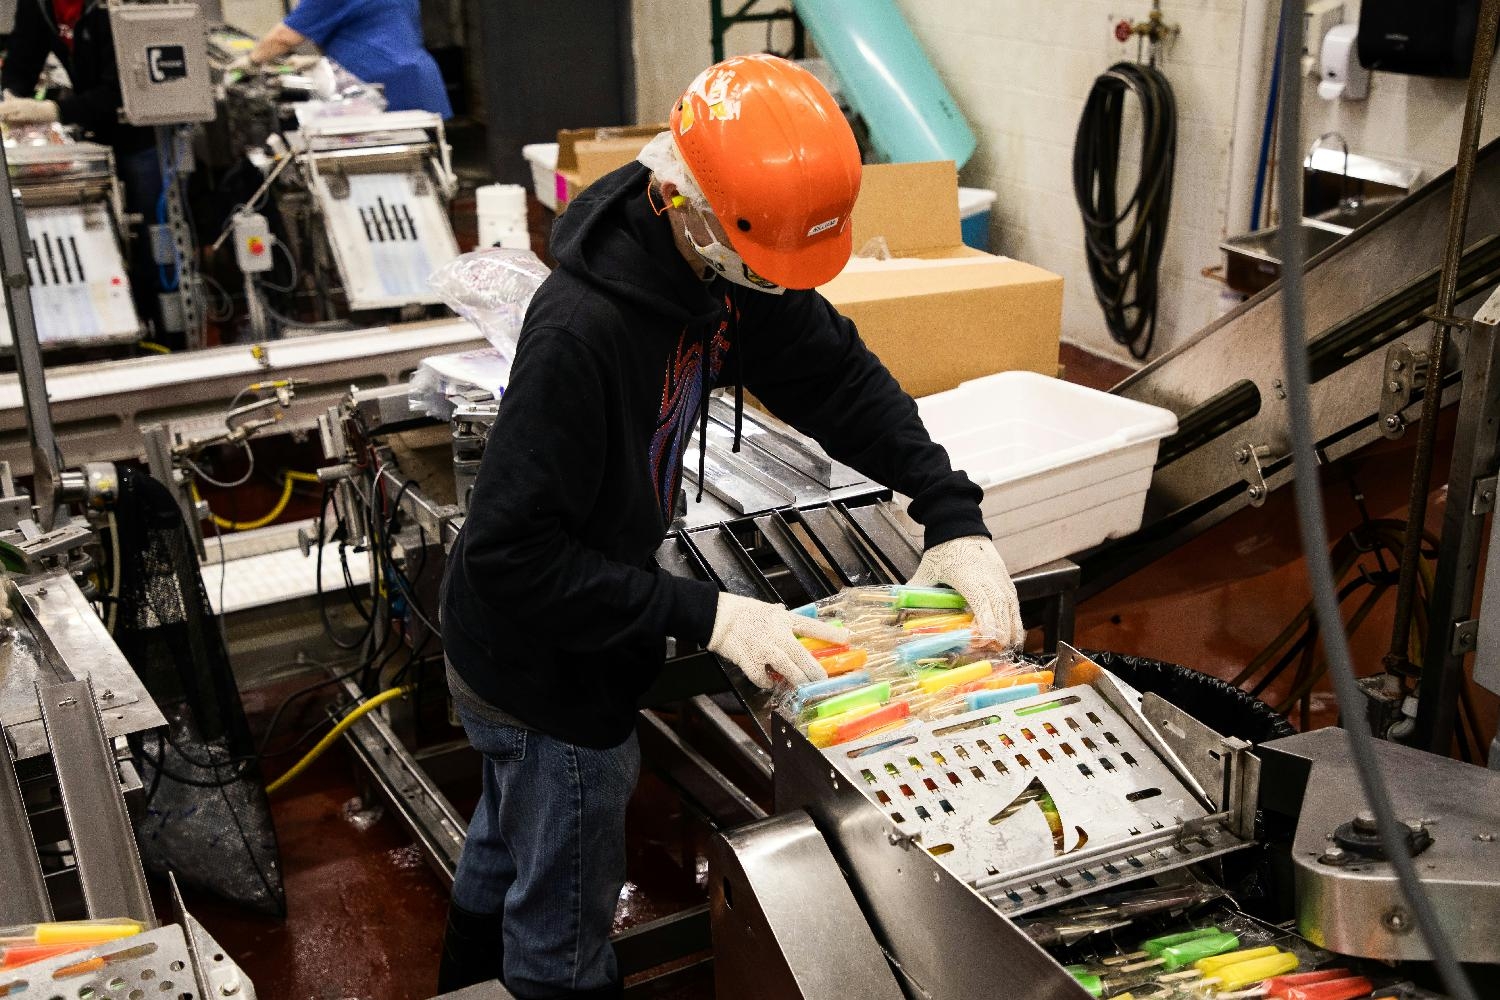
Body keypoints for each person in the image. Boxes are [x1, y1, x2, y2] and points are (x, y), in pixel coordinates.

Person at [437, 54, 1023, 999]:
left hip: (554, 640)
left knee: (509, 846)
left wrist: (948, 508)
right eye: (757, 265)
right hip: (543, 669)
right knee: (562, 910)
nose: (767, 288)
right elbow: (514, 557)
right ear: (688, 207)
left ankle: (458, 982)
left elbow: (834, 374)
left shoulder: (720, 261)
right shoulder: (582, 332)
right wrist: (709, 616)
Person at [0, 0, 169, 343]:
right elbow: (22, 59)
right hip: (93, 131)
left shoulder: (115, 6)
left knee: (156, 235)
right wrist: (9, 98)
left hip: (143, 134)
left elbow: (122, 87)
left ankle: (163, 335)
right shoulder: (41, 5)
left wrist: (53, 110)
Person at [237, 0, 451, 118]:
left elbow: (284, 37)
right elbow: (380, 27)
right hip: (419, 81)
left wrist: (249, 62)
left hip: (379, 89)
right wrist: (316, 62)